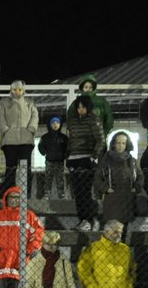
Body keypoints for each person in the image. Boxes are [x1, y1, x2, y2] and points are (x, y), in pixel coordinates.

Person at [63, 95, 104, 229]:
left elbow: (100, 140)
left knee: (86, 192)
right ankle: (82, 219)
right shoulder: (73, 121)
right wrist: (67, 156)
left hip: (87, 159)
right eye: (78, 107)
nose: (80, 109)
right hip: (73, 159)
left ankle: (90, 219)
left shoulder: (93, 119)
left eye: (83, 107)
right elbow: (71, 140)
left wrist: (93, 156)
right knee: (77, 192)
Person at [0, 80, 39, 191]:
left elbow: (35, 116)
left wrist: (30, 130)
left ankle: (26, 193)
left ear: (23, 90)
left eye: (20, 89)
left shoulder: (30, 102)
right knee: (10, 168)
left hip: (26, 140)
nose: (17, 92)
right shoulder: (4, 102)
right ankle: (10, 193)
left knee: (26, 168)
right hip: (9, 141)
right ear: (11, 90)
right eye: (15, 89)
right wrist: (6, 130)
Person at [94, 131, 142, 230]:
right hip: (112, 199)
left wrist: (136, 187)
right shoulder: (107, 159)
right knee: (111, 228)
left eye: (123, 143)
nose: (121, 146)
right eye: (118, 143)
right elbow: (98, 177)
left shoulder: (131, 160)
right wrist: (105, 188)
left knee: (124, 228)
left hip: (127, 198)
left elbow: (140, 176)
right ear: (113, 144)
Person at [37, 116, 69, 200]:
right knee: (48, 178)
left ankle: (61, 194)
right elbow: (40, 146)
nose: (55, 124)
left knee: (60, 178)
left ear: (60, 124)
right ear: (49, 124)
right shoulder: (45, 137)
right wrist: (44, 153)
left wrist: (66, 155)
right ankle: (47, 194)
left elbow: (68, 147)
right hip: (49, 161)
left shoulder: (64, 137)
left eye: (57, 123)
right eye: (53, 123)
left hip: (60, 161)